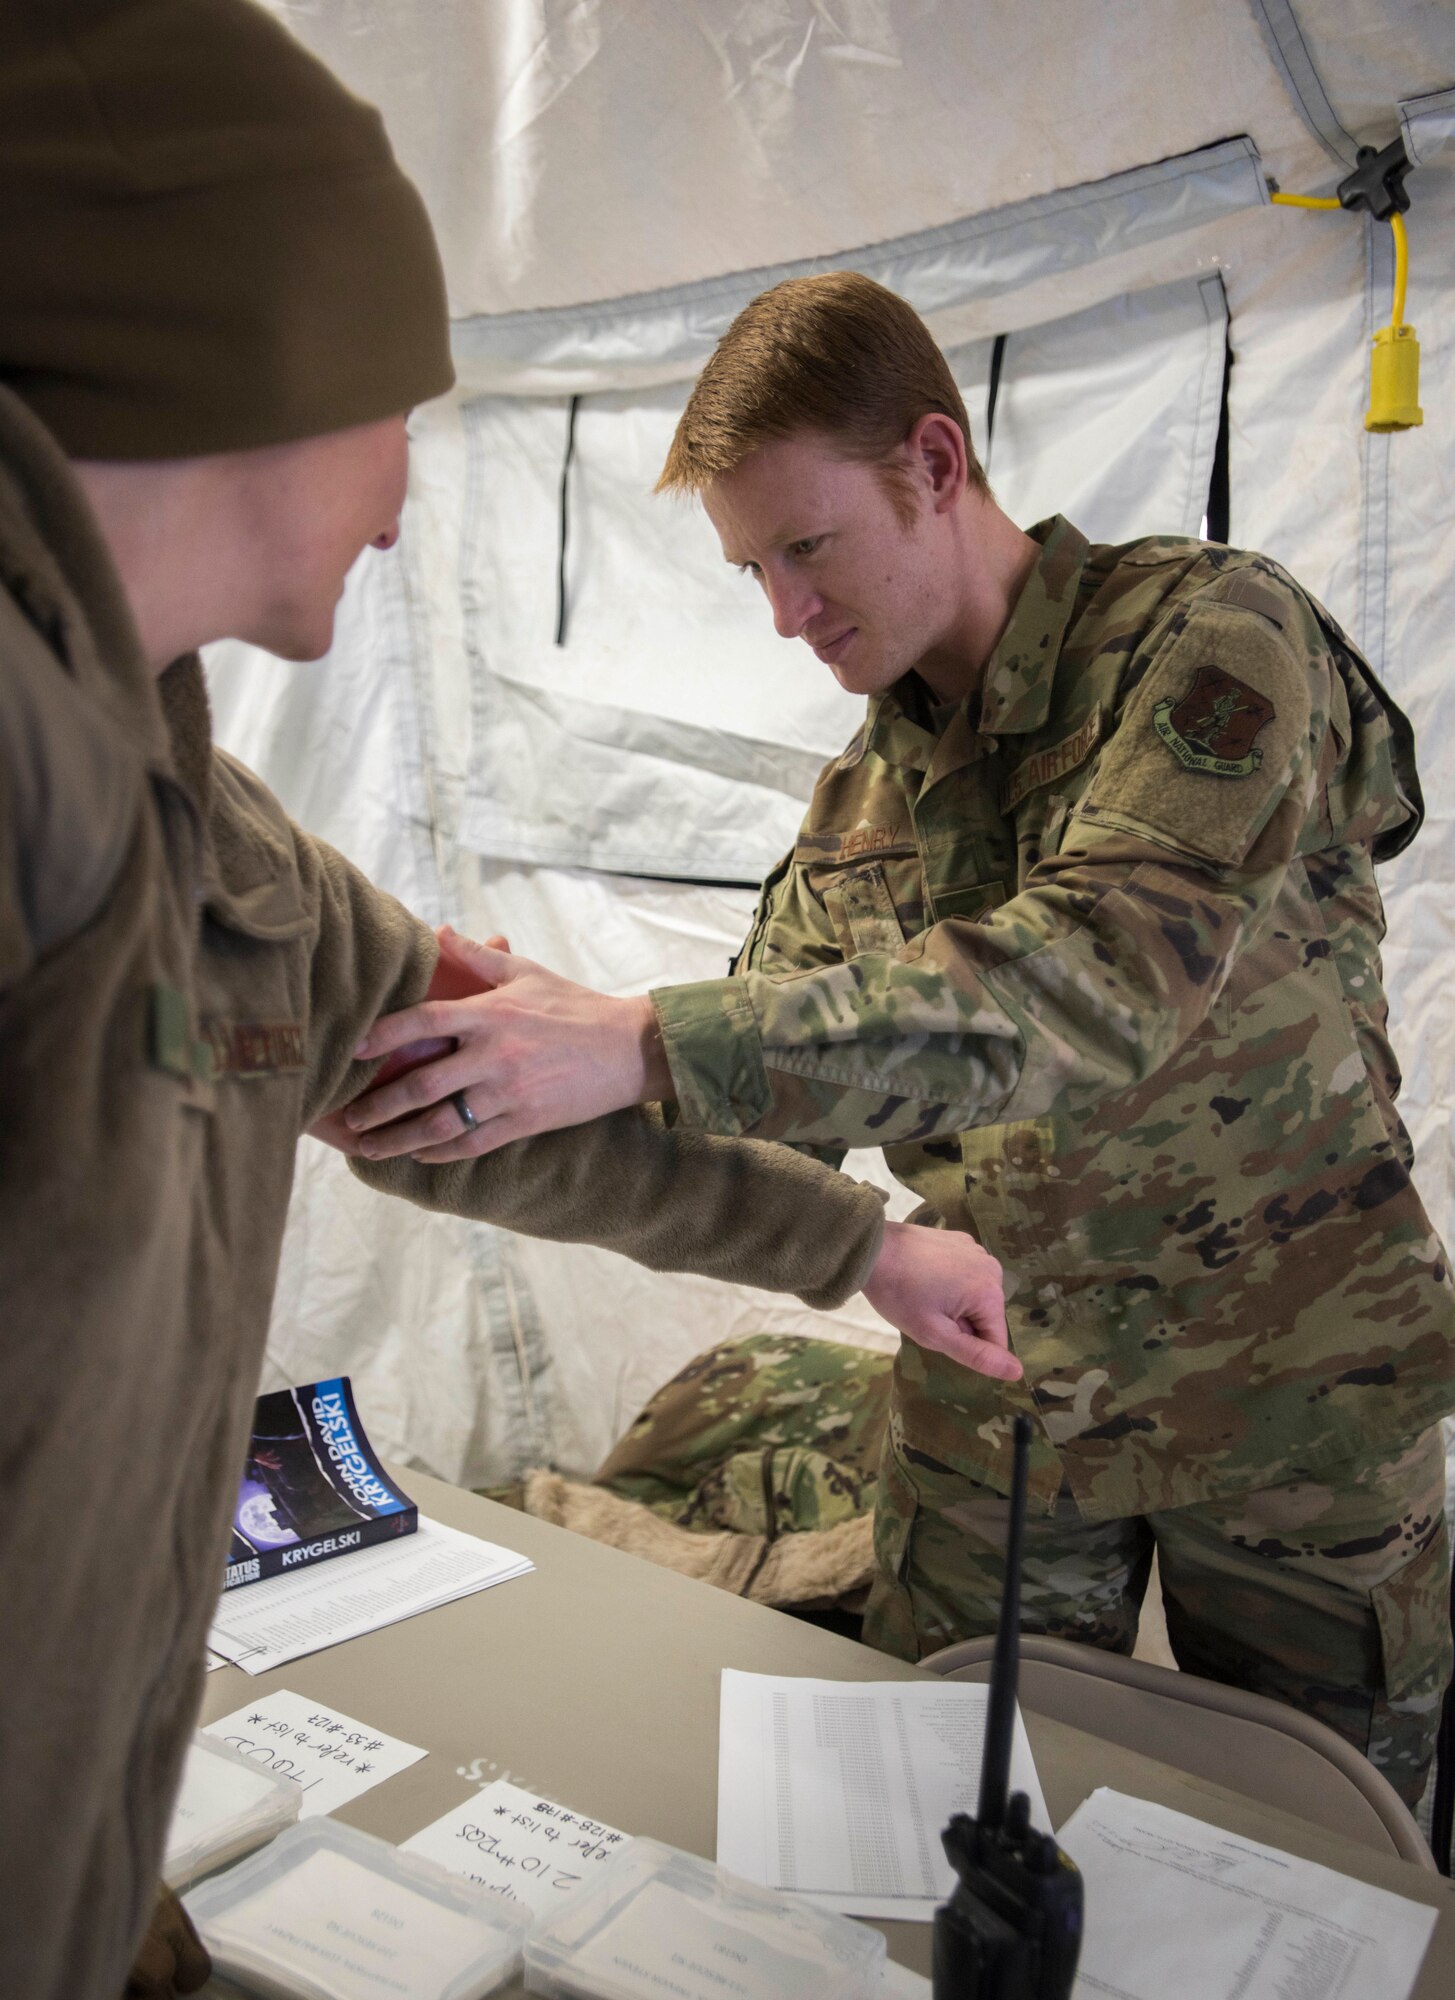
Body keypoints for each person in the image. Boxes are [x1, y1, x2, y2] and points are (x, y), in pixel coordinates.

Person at [0, 17, 1013, 1997]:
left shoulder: (218, 859)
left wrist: (860, 1251)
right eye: (397, 398)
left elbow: (482, 1090)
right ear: (244, 361)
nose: (407, 488)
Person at [347, 270, 1455, 1809]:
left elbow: (1098, 982)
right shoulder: (862, 807)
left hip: (1295, 1396)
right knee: (939, 1812)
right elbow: (740, 1135)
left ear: (936, 463)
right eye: (753, 572)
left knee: (1329, 1852)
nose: (790, 614)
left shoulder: (1207, 637)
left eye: (808, 546)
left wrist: (642, 1037)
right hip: (1001, 1397)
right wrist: (494, 1044)